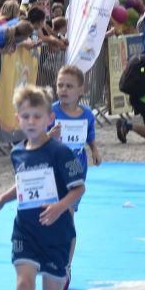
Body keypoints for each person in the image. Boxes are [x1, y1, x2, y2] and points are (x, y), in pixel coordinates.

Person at [0, 86, 86, 290]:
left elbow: (79, 188)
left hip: (55, 232)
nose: (31, 121)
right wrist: (1, 200)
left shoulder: (59, 152)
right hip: (26, 231)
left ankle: (63, 272)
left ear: (49, 119)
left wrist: (59, 207)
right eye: (26, 116)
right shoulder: (17, 153)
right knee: (23, 286)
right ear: (18, 118)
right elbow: (23, 183)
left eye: (37, 116)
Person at [49, 65, 100, 273]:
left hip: (75, 172)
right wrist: (49, 136)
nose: (63, 90)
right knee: (52, 217)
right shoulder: (51, 112)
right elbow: (36, 140)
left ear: (81, 90)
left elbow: (90, 134)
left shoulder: (87, 114)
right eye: (60, 85)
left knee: (68, 216)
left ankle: (66, 264)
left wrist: (95, 150)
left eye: (69, 86)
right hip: (52, 173)